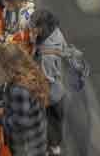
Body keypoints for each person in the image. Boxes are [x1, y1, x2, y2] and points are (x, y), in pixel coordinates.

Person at [0, 43, 49, 156]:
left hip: (27, 145)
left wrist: (0, 118)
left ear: (7, 67)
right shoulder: (25, 72)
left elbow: (19, 123)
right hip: (36, 135)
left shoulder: (19, 89)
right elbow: (6, 88)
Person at [30, 10, 68, 156]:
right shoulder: (56, 32)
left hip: (50, 93)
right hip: (59, 88)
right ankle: (55, 144)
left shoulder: (47, 56)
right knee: (56, 119)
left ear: (42, 28)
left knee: (45, 119)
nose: (31, 29)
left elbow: (45, 78)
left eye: (34, 27)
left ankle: (47, 147)